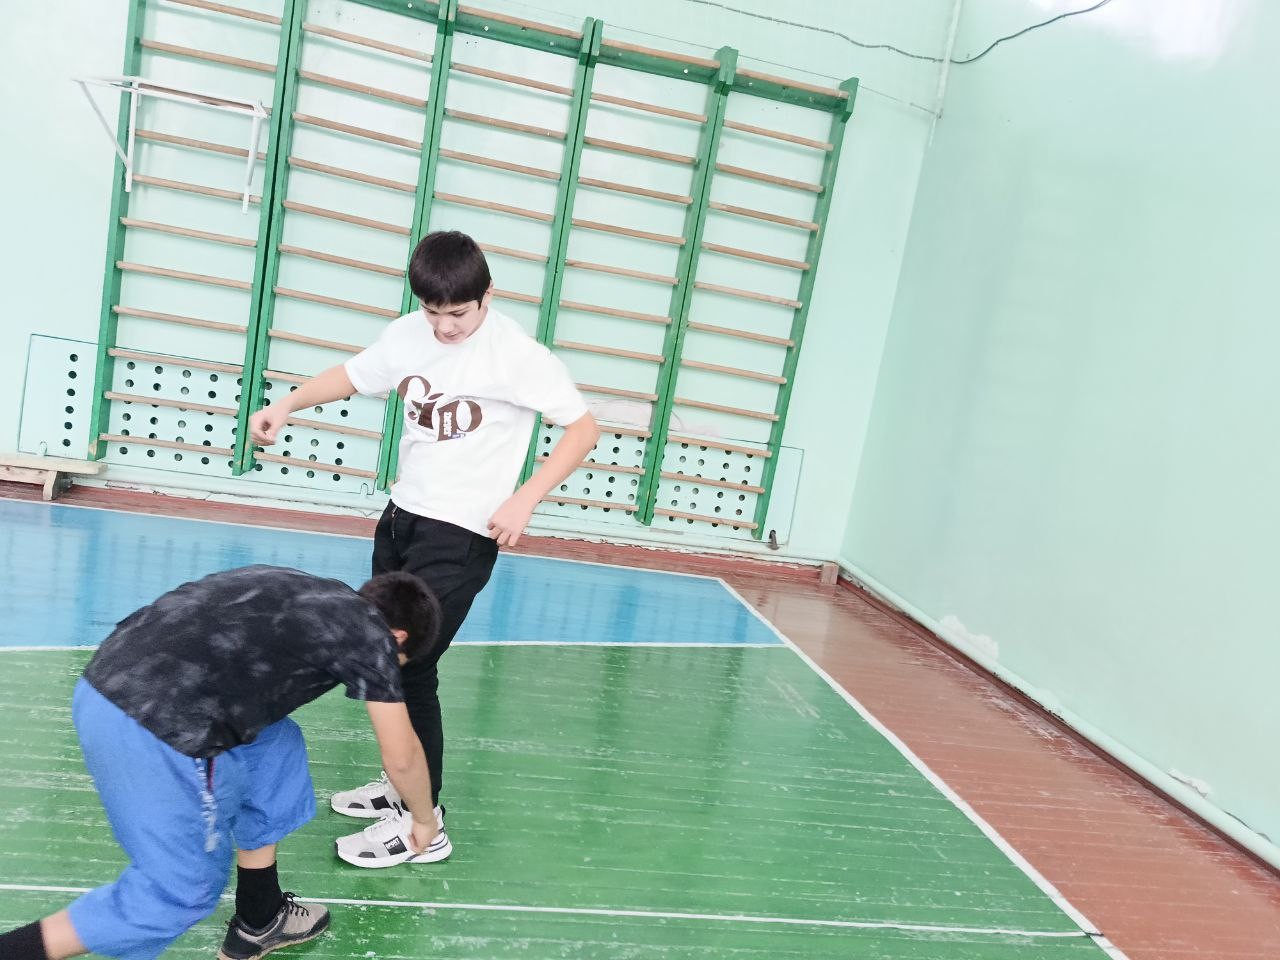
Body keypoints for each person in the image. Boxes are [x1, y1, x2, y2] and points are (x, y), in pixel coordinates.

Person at [248, 231, 599, 845]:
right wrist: (289, 404)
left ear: (487, 295)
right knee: (397, 664)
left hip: (461, 533)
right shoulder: (409, 335)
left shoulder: (516, 356)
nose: (444, 327)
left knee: (404, 666)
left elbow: (584, 428)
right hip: (402, 517)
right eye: (433, 311)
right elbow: (353, 375)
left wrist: (525, 498)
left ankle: (424, 823)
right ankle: (405, 785)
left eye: (458, 313)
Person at [0, 565, 445, 960]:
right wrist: (423, 819)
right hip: (154, 724)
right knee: (181, 892)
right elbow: (401, 756)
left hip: (102, 683)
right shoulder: (371, 635)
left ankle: (260, 917)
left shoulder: (312, 591)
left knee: (276, 745)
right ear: (398, 638)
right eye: (398, 662)